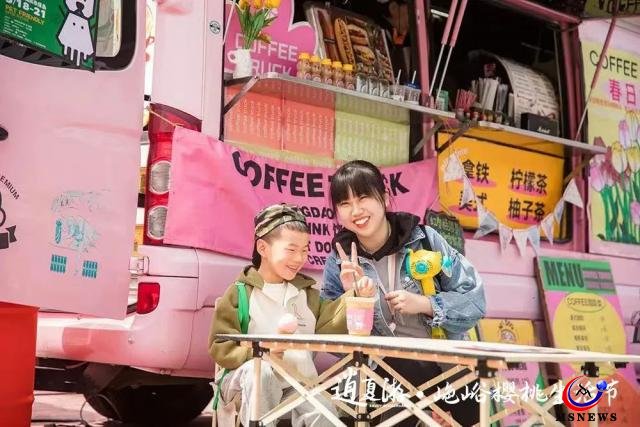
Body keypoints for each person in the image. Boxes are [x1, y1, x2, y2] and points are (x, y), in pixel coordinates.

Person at [322, 160, 486, 426]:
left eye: (363, 197)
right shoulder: (340, 261)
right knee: (347, 398)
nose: (356, 210)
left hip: (449, 368)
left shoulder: (425, 240)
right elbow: (331, 340)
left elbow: (475, 301)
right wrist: (353, 300)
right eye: (345, 203)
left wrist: (425, 304)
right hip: (383, 376)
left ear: (385, 198)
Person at [209, 203, 375, 427]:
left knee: (324, 414)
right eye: (291, 249)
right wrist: (263, 353)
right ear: (263, 248)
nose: (299, 258)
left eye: (305, 250)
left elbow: (332, 321)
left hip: (297, 382)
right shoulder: (240, 293)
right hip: (244, 382)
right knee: (262, 374)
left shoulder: (306, 294)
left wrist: (356, 294)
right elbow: (220, 346)